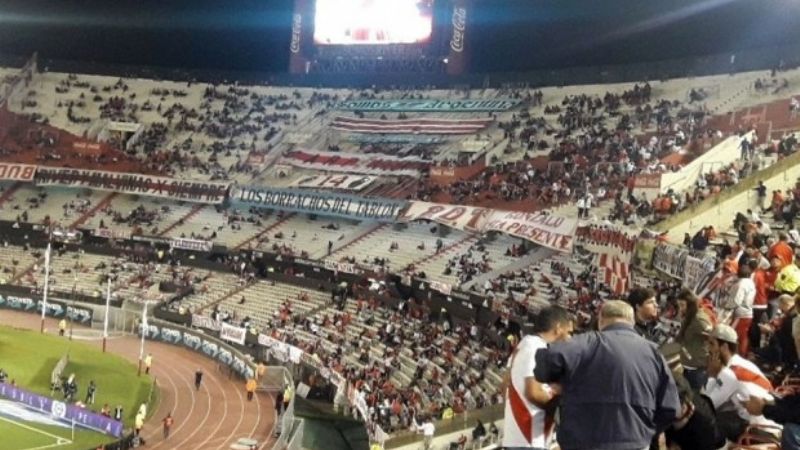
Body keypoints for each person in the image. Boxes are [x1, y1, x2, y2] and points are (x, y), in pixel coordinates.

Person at [534, 300, 680, 450]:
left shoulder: (586, 343)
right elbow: (670, 408)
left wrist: (562, 381)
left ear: (601, 320)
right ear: (632, 321)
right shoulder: (654, 353)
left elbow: (545, 364)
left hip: (584, 441)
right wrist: (645, 431)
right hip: (635, 443)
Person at [503, 306, 574, 450]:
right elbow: (533, 392)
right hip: (529, 436)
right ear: (558, 327)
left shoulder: (524, 344)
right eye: (569, 331)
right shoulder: (535, 347)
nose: (569, 337)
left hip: (519, 436)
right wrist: (558, 393)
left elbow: (505, 384)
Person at [703, 324, 776, 442]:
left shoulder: (730, 373)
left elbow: (707, 405)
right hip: (766, 423)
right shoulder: (740, 363)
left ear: (724, 347)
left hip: (761, 429)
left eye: (712, 344)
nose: (707, 348)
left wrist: (712, 375)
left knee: (704, 423)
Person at [675, 289, 713, 390]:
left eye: (682, 305)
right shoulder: (689, 317)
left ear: (690, 304)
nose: (680, 308)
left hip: (696, 368)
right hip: (688, 365)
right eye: (679, 305)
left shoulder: (699, 319)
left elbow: (713, 336)